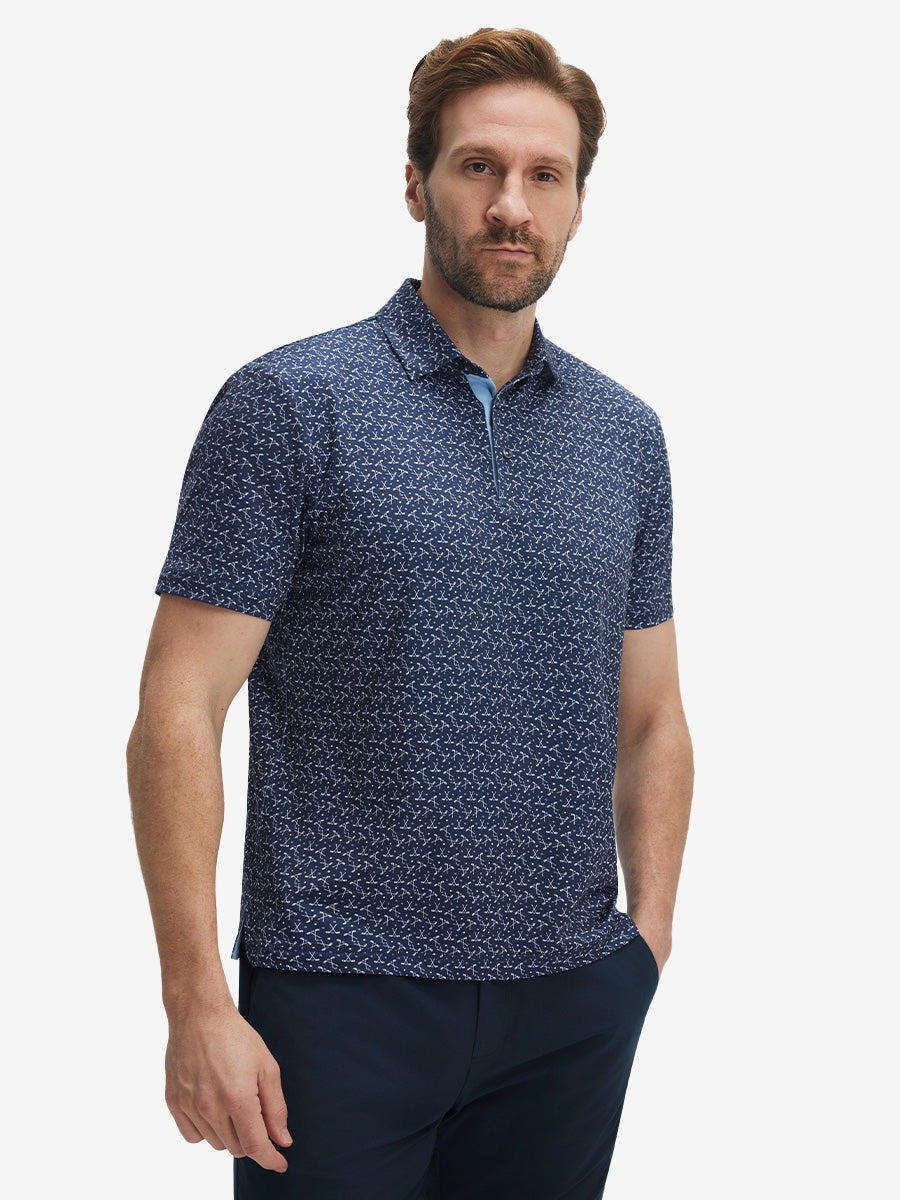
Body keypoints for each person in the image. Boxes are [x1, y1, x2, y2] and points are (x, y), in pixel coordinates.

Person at [128, 26, 694, 1200]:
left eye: (545, 175)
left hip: (570, 1006)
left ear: (579, 204)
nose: (511, 205)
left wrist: (645, 945)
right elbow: (179, 707)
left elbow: (652, 717)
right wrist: (195, 1002)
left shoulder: (625, 438)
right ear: (415, 184)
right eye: (479, 166)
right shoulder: (291, 404)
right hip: (340, 1000)